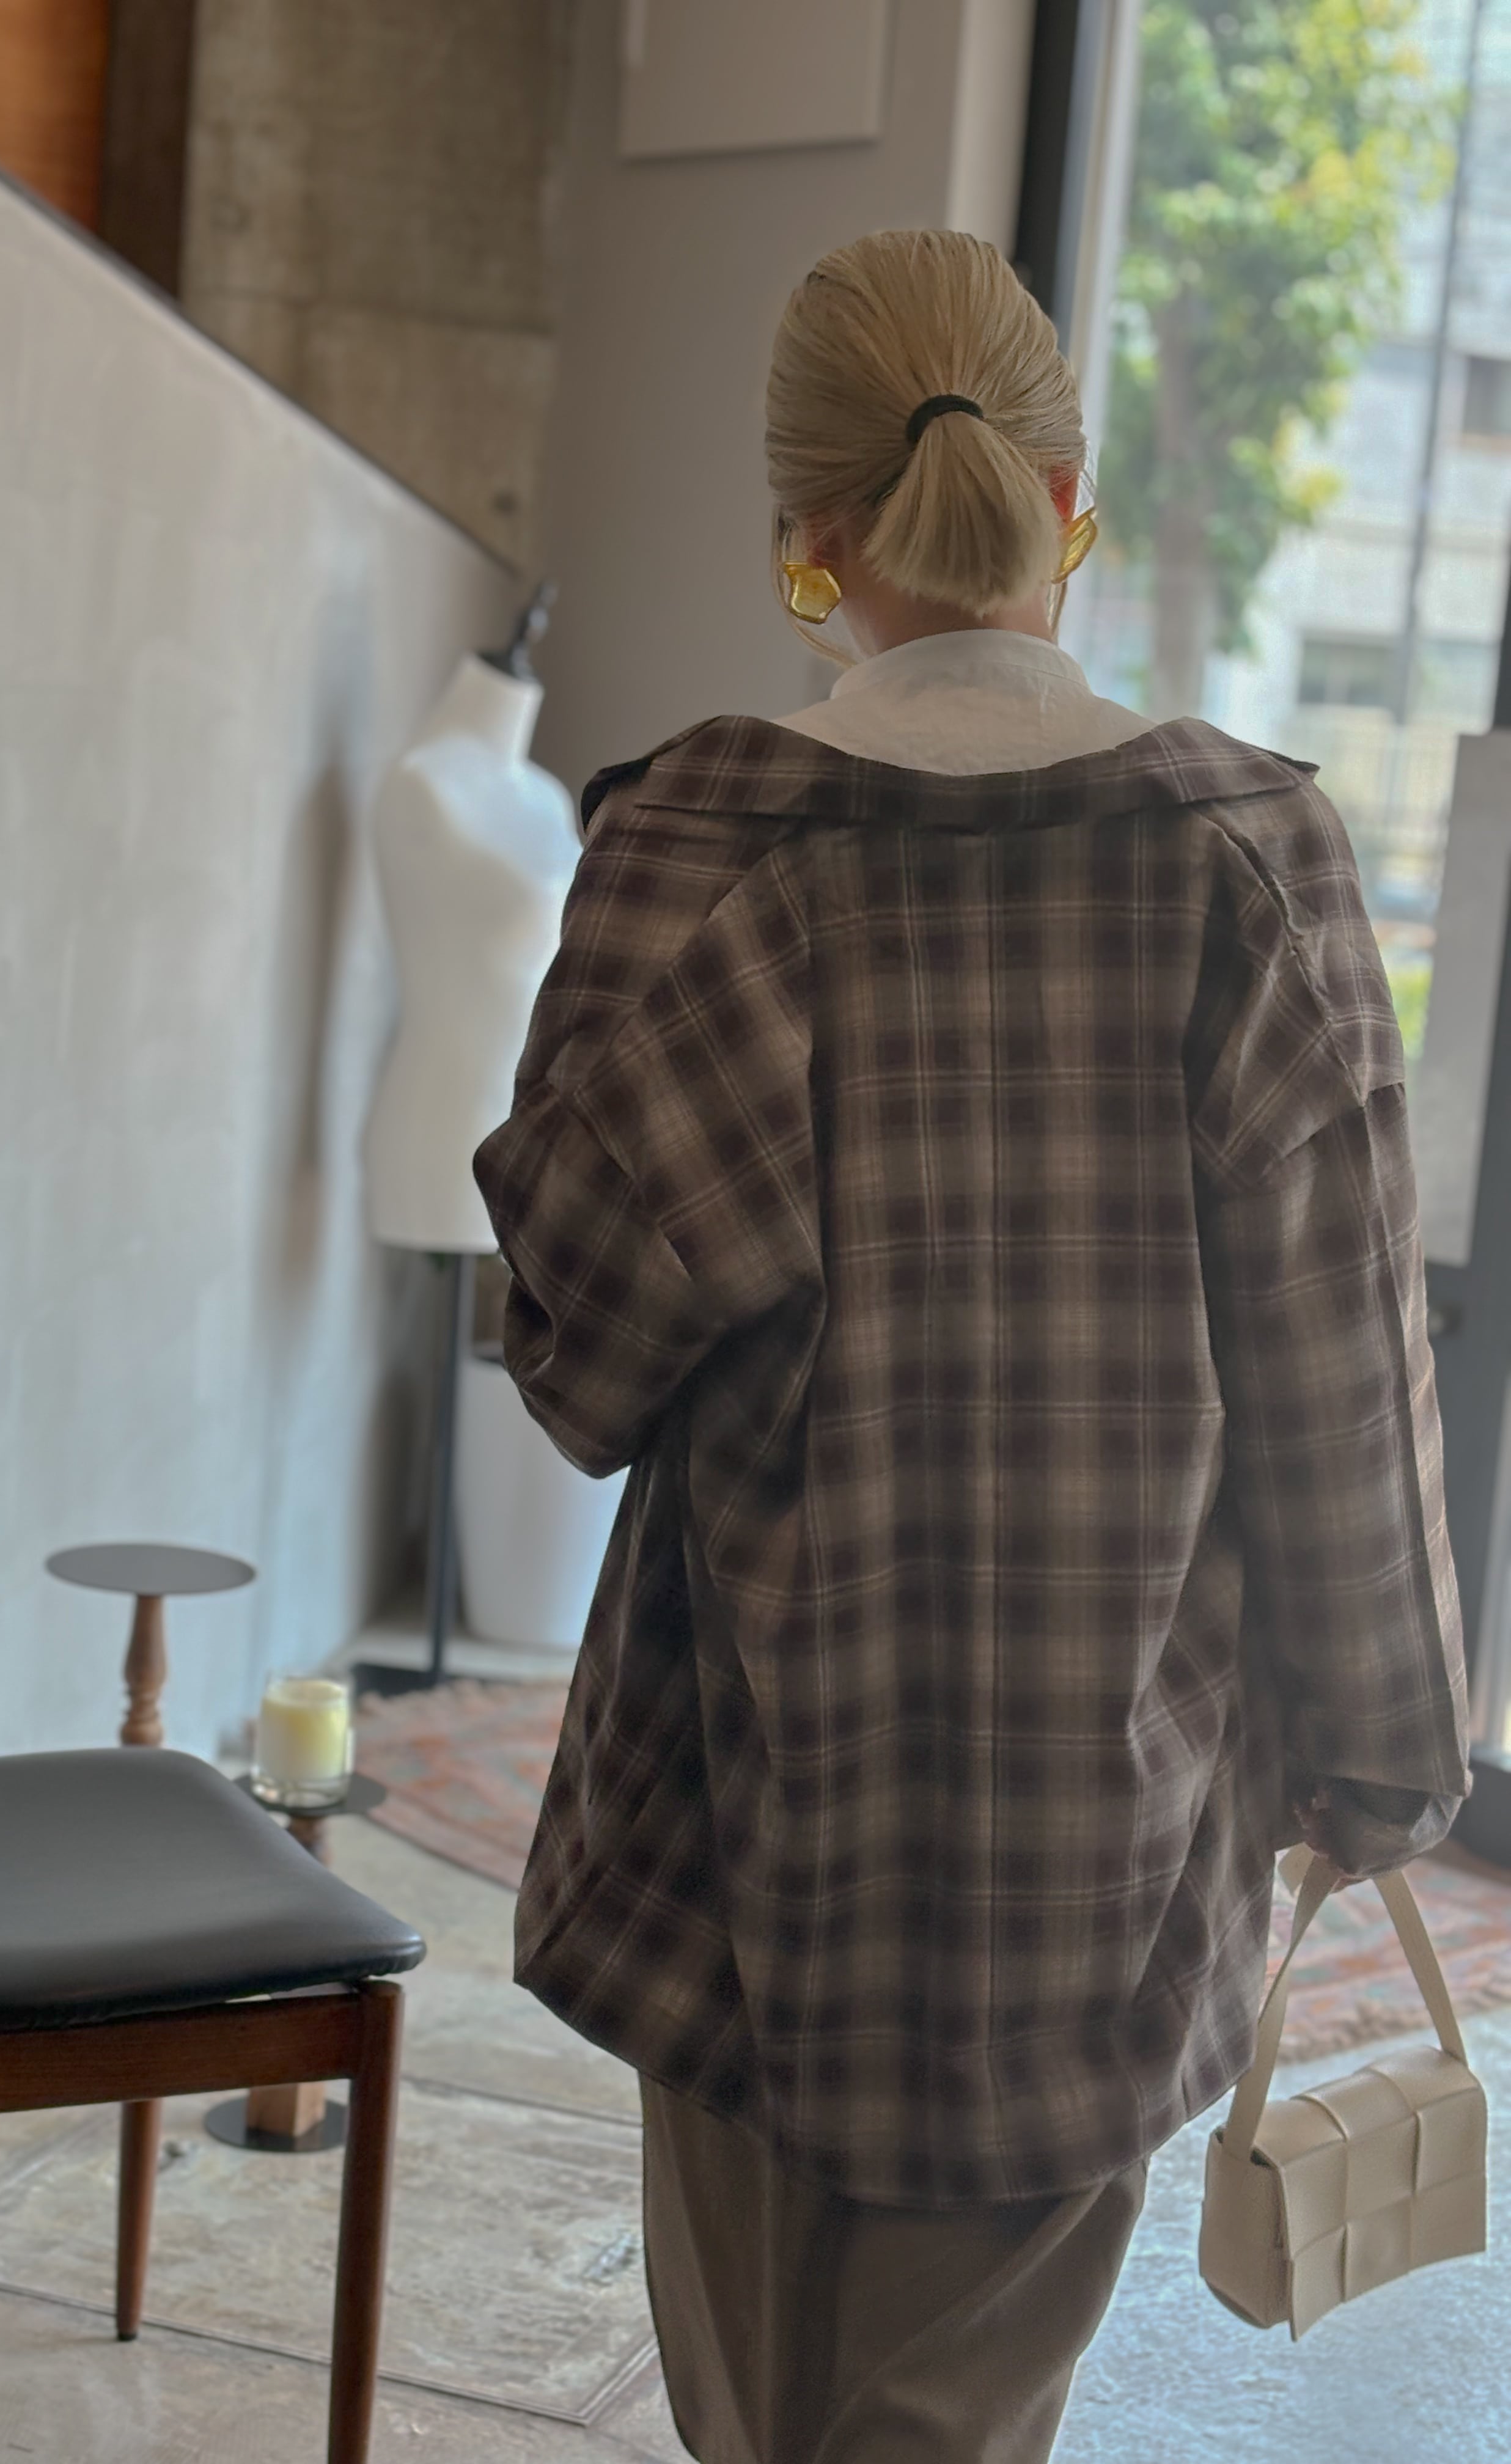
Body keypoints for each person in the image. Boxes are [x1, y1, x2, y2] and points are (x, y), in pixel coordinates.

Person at [472, 227, 1472, 2464]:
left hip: (728, 1834)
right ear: (1066, 497)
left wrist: (771, 987)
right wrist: (1386, 1752)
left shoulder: (695, 842)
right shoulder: (1250, 859)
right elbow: (1345, 1386)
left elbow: (571, 1356)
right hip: (1090, 1862)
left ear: (806, 539)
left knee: (750, 2428)